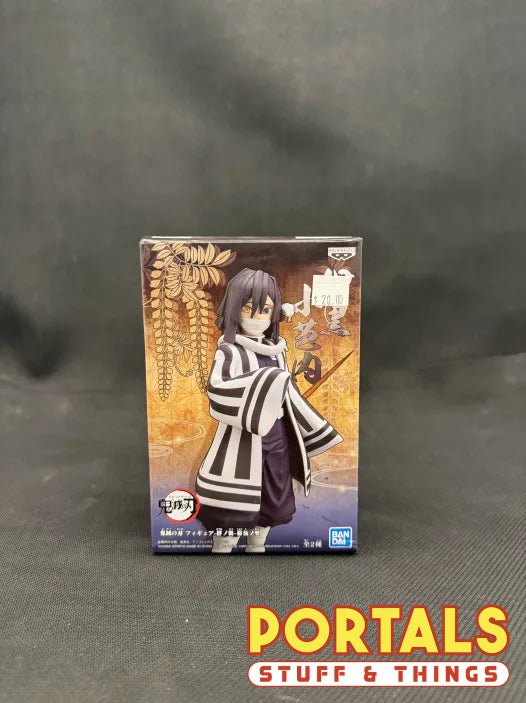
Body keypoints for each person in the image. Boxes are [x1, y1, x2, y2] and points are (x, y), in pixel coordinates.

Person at [195, 268, 343, 553]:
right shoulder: (229, 351)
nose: (257, 317)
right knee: (234, 503)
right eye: (248, 308)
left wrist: (312, 428)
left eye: (265, 310)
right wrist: (266, 383)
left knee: (273, 494)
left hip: (276, 437)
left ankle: (258, 545)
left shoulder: (277, 351)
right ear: (234, 308)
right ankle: (223, 546)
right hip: (241, 438)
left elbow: (289, 395)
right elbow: (217, 390)